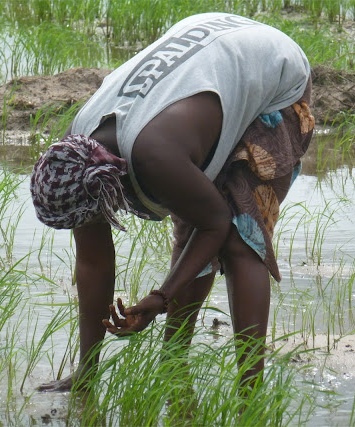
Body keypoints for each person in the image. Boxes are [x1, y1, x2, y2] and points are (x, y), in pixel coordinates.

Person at [30, 12, 314, 392]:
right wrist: (87, 371)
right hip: (214, 50)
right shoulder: (79, 150)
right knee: (190, 225)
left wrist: (160, 297)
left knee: (239, 238)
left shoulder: (154, 156)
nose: (88, 228)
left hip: (272, 68)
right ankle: (173, 367)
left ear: (103, 194)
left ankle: (250, 395)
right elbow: (94, 262)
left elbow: (215, 223)